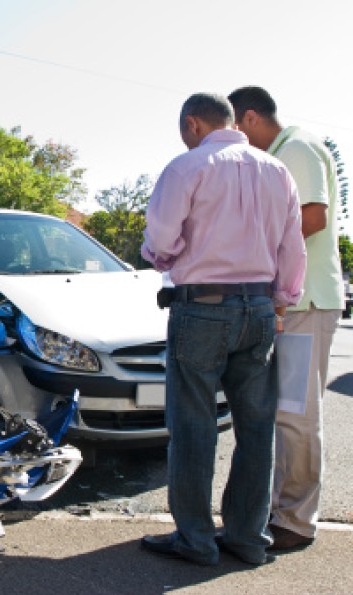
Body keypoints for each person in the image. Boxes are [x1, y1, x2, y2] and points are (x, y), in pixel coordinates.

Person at [140, 93, 306, 566]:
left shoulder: (188, 167)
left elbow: (162, 239)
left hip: (202, 308)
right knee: (255, 429)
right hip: (258, 309)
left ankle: (195, 540)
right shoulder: (276, 170)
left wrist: (163, 257)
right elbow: (293, 248)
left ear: (193, 124)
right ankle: (248, 538)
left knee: (194, 427)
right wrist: (280, 301)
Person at [228, 86, 346, 551]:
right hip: (292, 305)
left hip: (307, 303)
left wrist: (251, 246)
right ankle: (283, 510)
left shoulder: (295, 148)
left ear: (250, 118)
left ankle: (295, 522)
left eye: (235, 129)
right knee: (287, 413)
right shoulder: (281, 151)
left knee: (296, 414)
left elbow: (312, 217)